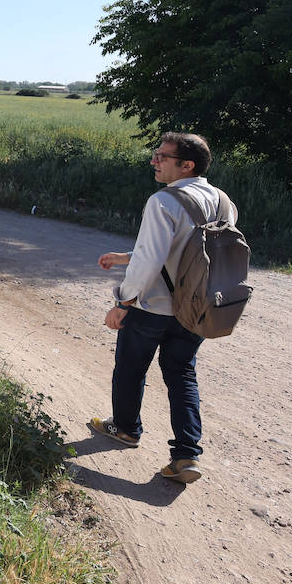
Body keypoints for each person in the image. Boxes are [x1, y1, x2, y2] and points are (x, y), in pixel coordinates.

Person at [89, 132, 236, 484]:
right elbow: (196, 251)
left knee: (130, 368)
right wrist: (127, 255)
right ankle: (187, 456)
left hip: (152, 307)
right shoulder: (222, 200)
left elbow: (152, 259)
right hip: (196, 309)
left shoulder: (163, 201)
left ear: (187, 165)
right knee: (182, 375)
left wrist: (123, 301)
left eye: (162, 156)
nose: (154, 161)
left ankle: (125, 429)